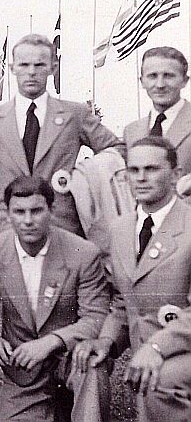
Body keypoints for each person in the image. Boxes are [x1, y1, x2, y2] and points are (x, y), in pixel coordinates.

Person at [0, 175, 110, 421]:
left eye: (36, 211)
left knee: (93, 365)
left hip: (71, 358)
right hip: (24, 370)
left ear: (51, 210)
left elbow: (95, 316)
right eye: (19, 212)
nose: (28, 221)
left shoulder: (83, 253)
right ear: (8, 214)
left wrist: (52, 342)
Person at [72, 136, 191, 420]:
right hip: (149, 352)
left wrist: (157, 347)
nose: (141, 178)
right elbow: (124, 300)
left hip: (180, 348)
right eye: (134, 170)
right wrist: (106, 341)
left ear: (175, 175)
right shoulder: (121, 229)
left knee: (161, 380)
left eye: (151, 169)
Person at [0, 33, 124, 243]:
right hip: (8, 233)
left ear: (53, 67)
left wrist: (83, 176)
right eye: (24, 65)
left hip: (62, 229)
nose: (31, 72)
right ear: (12, 68)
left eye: (39, 65)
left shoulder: (75, 114)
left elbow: (117, 149)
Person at [124, 46, 191, 174]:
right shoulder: (131, 132)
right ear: (142, 81)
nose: (160, 84)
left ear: (184, 81)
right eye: (152, 76)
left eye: (168, 76)